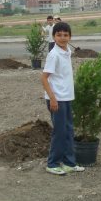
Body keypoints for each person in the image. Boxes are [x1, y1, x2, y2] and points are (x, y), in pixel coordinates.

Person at [40, 21, 84, 175]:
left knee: (68, 130)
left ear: (70, 37)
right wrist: (52, 98)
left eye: (66, 35)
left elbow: (63, 74)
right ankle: (52, 163)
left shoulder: (66, 52)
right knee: (59, 132)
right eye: (59, 35)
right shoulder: (54, 54)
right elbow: (44, 78)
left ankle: (69, 163)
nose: (62, 38)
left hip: (66, 97)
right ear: (53, 37)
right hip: (56, 98)